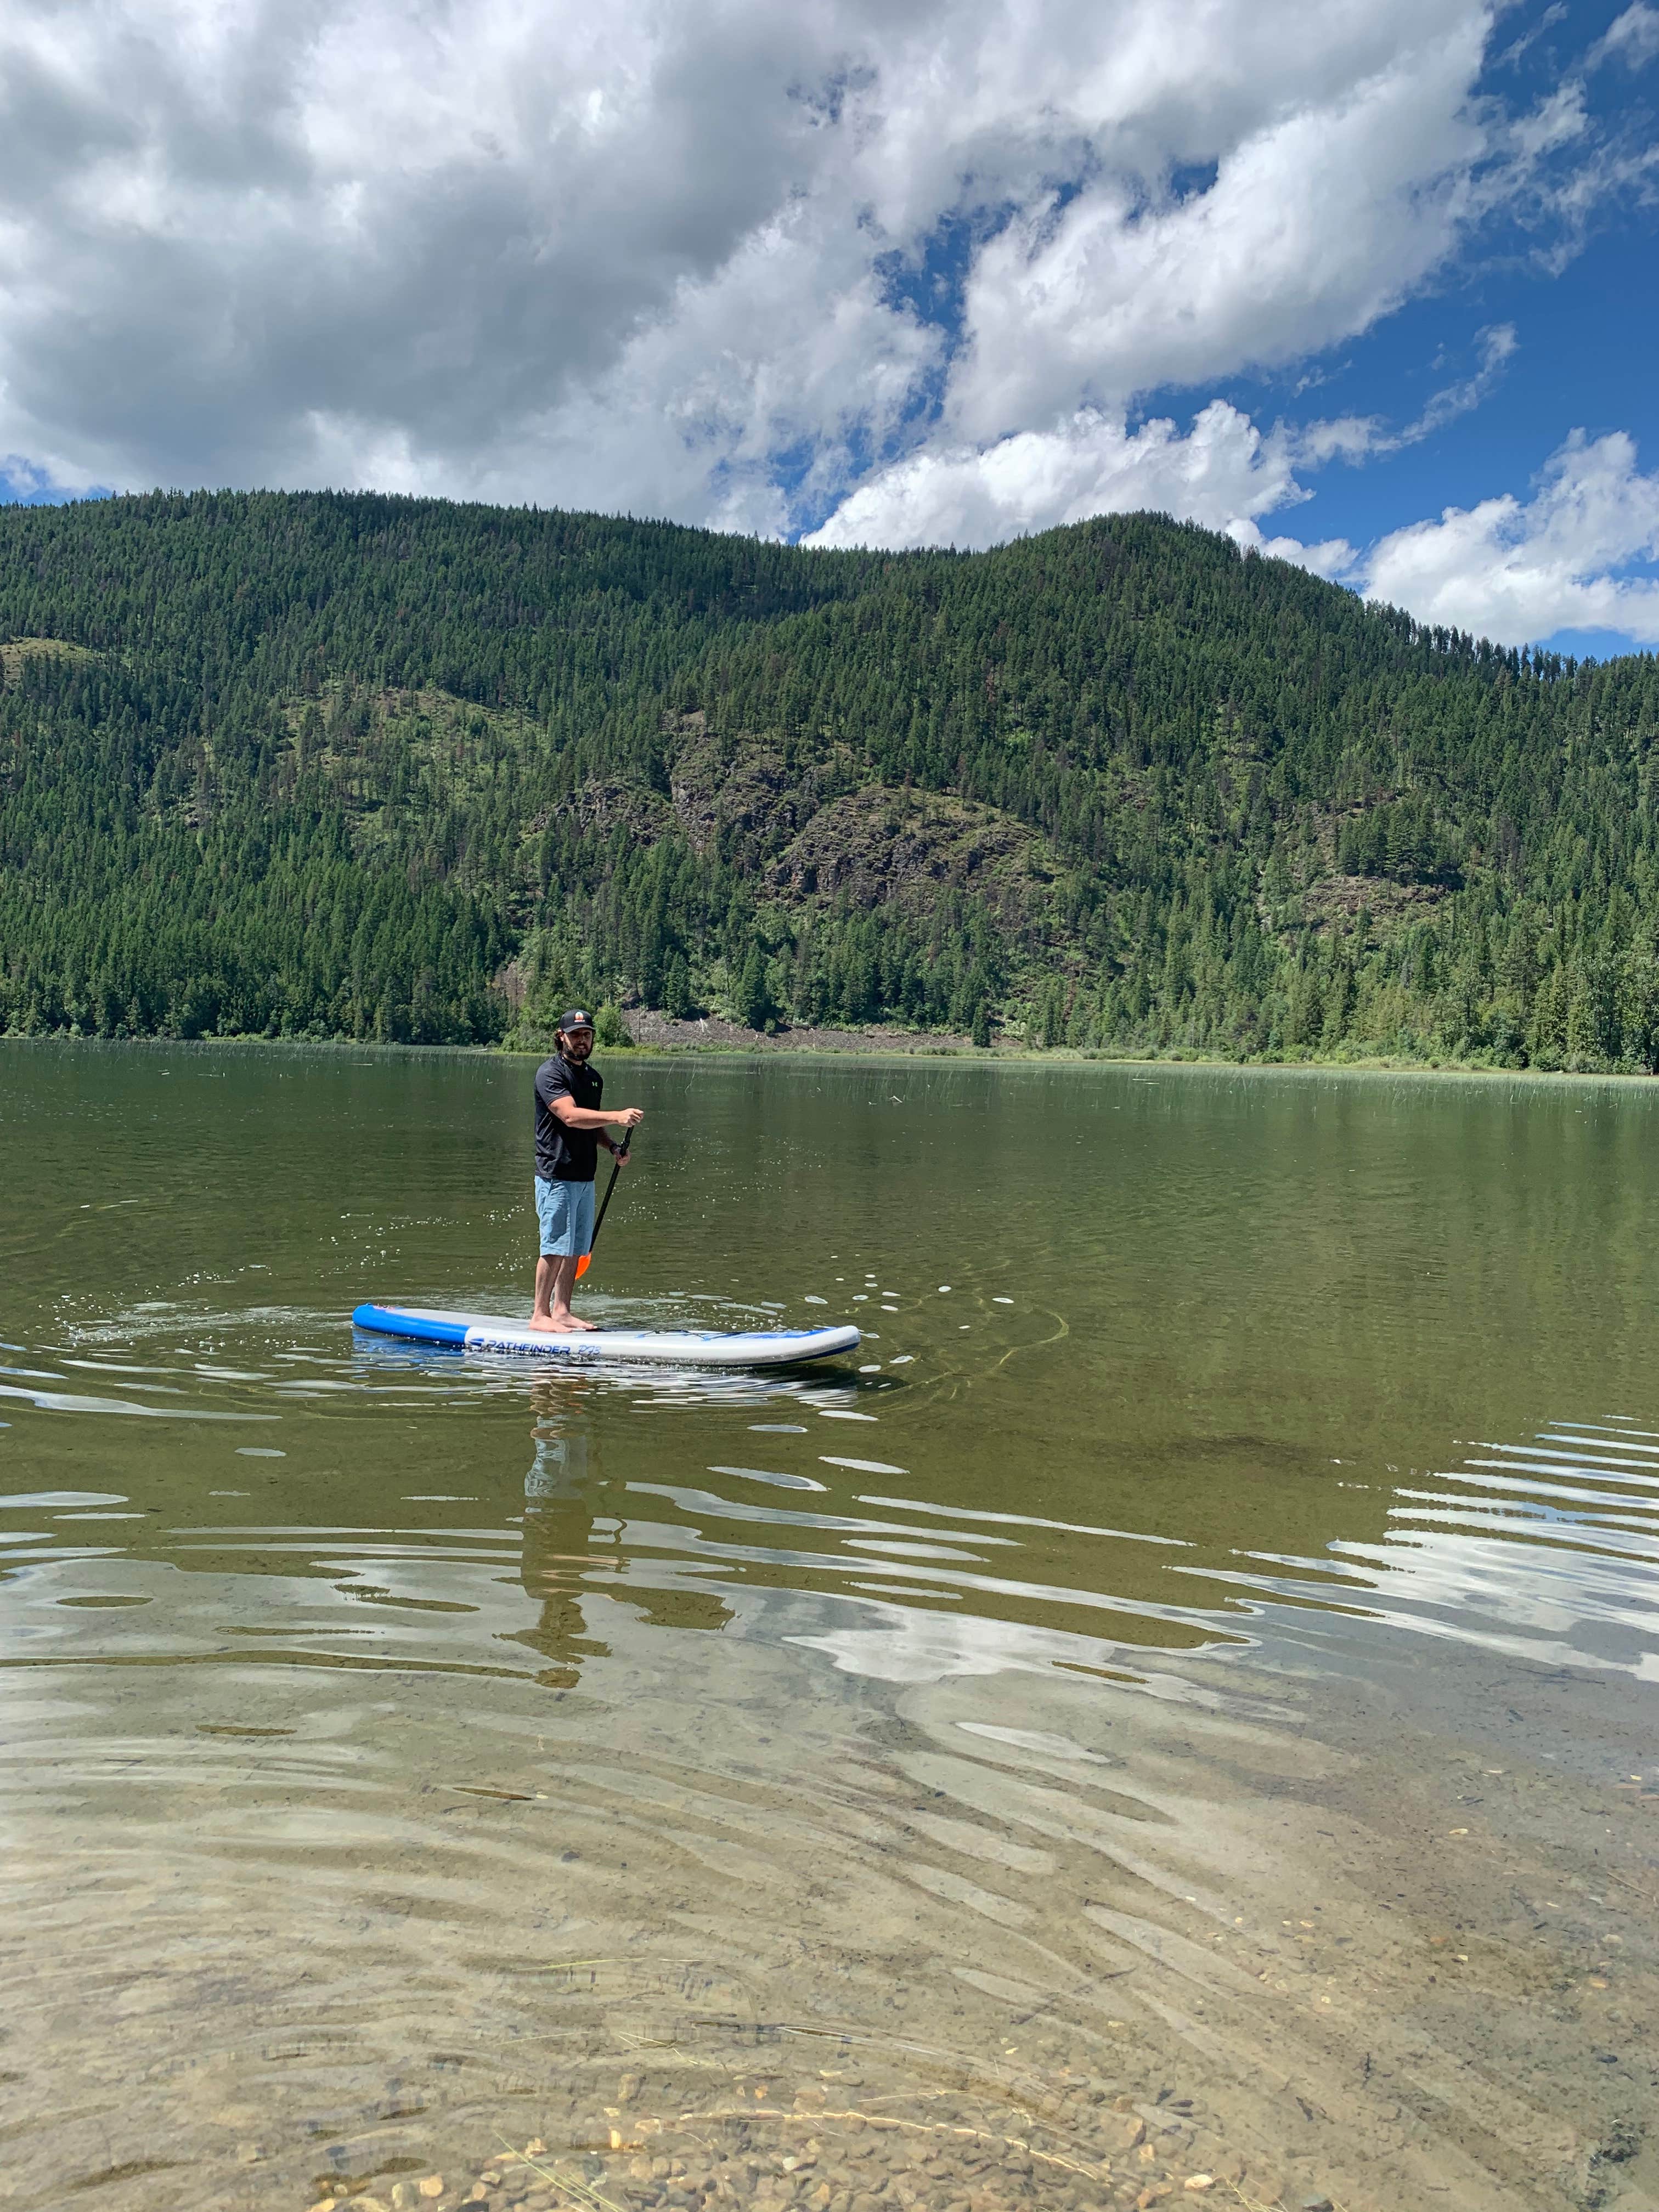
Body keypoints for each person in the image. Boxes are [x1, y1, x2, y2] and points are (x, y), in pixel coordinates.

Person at [531, 1011, 644, 1331]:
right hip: (556, 1173)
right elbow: (569, 1116)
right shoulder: (550, 1073)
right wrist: (617, 1116)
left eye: (587, 1035)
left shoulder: (594, 1078)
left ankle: (562, 1311)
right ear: (561, 1037)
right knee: (555, 1246)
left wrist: (612, 1147)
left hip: (584, 1175)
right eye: (575, 1035)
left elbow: (591, 1123)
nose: (582, 1040)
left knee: (576, 1249)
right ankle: (539, 1315)